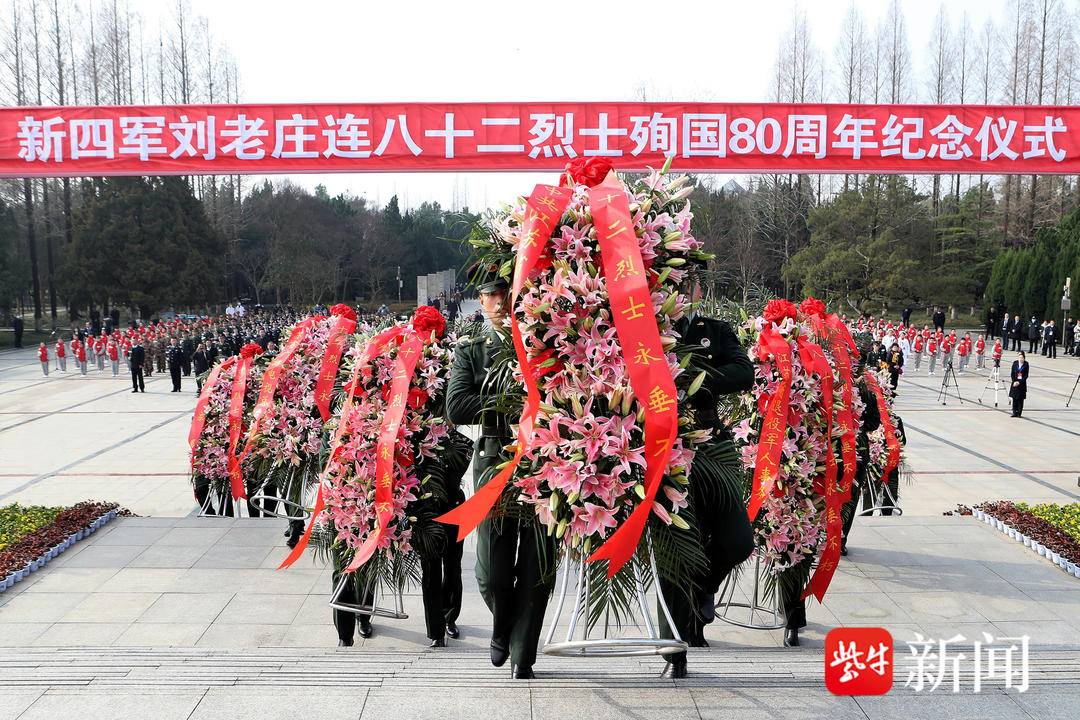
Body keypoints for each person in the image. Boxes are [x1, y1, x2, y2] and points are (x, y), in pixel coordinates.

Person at [446, 270, 553, 680]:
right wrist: (511, 398)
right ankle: (502, 621)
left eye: (501, 294)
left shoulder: (543, 339)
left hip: (544, 458)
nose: (494, 302)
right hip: (494, 457)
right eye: (487, 295)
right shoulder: (472, 347)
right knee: (491, 568)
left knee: (535, 563)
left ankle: (523, 656)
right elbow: (457, 406)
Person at [659, 306, 755, 677]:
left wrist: (692, 378)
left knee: (738, 541)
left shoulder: (712, 329)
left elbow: (743, 372)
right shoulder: (641, 325)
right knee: (676, 552)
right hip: (661, 448)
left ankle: (703, 588)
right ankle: (674, 652)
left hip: (710, 443)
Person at [1010, 352, 1029, 418]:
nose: (1021, 359)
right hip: (1015, 383)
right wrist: (1014, 381)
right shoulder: (1015, 363)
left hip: (1021, 384)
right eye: (1019, 357)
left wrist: (1019, 382)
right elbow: (1012, 373)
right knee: (1014, 398)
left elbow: (1026, 375)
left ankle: (1019, 413)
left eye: (1022, 358)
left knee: (1020, 399)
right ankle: (1014, 412)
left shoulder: (1026, 364)